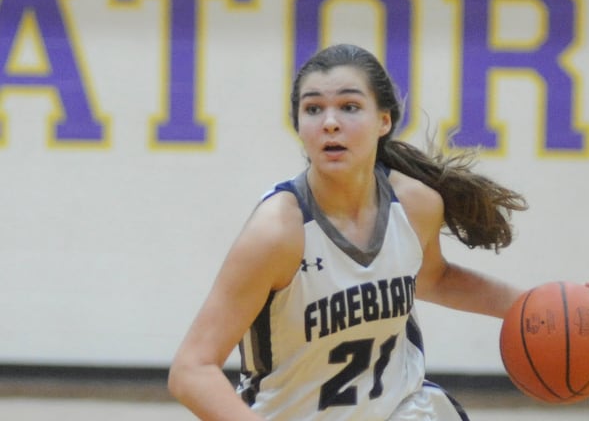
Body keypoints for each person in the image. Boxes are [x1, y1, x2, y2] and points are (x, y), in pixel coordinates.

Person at [167, 43, 529, 420]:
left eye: (349, 106)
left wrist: (533, 306)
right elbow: (192, 370)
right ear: (299, 126)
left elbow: (433, 278)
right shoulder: (278, 233)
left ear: (383, 121)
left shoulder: (415, 204)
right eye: (313, 109)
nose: (329, 122)